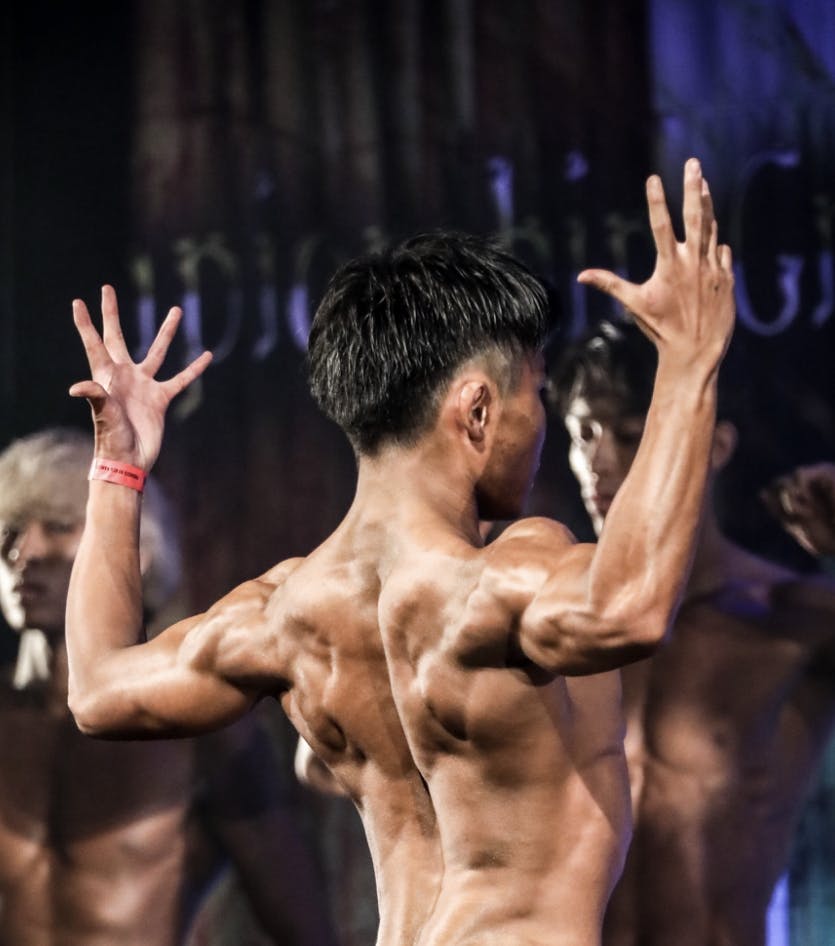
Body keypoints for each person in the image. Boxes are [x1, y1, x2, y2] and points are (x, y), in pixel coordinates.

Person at [64, 157, 734, 946]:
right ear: (477, 411)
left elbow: (97, 690)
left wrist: (118, 470)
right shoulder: (503, 574)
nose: (540, 424)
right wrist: (688, 363)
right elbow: (629, 609)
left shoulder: (283, 615)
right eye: (536, 392)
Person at [550, 318, 835, 946]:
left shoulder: (791, 617)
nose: (599, 462)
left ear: (716, 445)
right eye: (583, 434)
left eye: (631, 434)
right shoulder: (552, 623)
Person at [0, 427, 338, 946]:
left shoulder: (201, 729)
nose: (26, 551)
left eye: (59, 527)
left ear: (134, 551)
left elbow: (304, 927)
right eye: (10, 533)